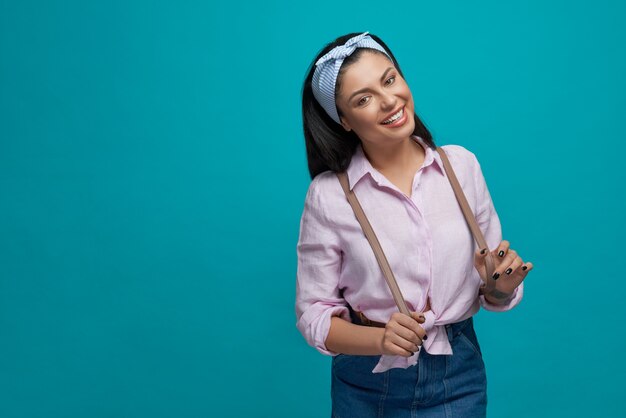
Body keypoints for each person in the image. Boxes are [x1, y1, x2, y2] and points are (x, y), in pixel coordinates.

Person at [295, 31, 533, 417]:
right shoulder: (329, 195)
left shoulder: (462, 167)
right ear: (344, 121)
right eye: (364, 98)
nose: (389, 100)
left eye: (389, 79)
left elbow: (493, 278)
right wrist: (380, 339)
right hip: (366, 381)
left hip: (459, 374)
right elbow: (314, 315)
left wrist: (501, 290)